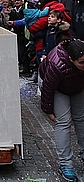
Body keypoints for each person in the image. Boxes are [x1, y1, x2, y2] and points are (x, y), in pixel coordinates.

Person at [40, 39, 84, 182]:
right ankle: (66, 164)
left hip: (77, 85)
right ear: (71, 59)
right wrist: (48, 109)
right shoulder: (56, 64)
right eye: (82, 62)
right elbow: (48, 88)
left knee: (81, 118)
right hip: (58, 89)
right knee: (63, 122)